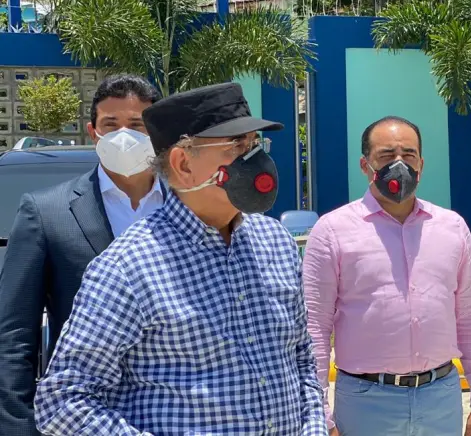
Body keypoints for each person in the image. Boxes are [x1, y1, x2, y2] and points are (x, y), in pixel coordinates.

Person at [33, 83, 326, 435]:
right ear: (183, 163)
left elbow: (300, 358)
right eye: (235, 146)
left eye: (253, 145)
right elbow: (62, 401)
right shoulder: (129, 267)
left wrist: (313, 427)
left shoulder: (276, 242)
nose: (255, 160)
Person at [302, 116, 471, 436]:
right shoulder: (332, 231)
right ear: (365, 165)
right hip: (365, 402)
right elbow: (314, 328)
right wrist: (319, 414)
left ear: (421, 164)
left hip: (441, 399)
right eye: (386, 156)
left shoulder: (452, 228)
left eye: (408, 155)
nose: (399, 164)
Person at [0, 73, 163, 436]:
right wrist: (18, 427)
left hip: (179, 416)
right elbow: (14, 336)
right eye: (111, 125)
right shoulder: (47, 213)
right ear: (93, 132)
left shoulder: (189, 208)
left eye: (137, 125)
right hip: (85, 417)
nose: (124, 135)